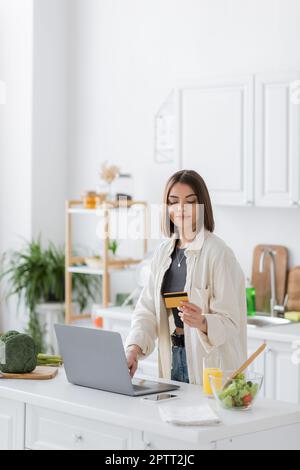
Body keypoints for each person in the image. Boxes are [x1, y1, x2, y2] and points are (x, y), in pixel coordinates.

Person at [125, 170, 247, 384]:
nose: (180, 209)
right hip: (173, 358)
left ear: (202, 206)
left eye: (190, 202)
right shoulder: (163, 253)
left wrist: (202, 321)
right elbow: (147, 311)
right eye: (173, 202)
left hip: (209, 367)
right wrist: (133, 349)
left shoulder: (218, 253)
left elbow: (231, 321)